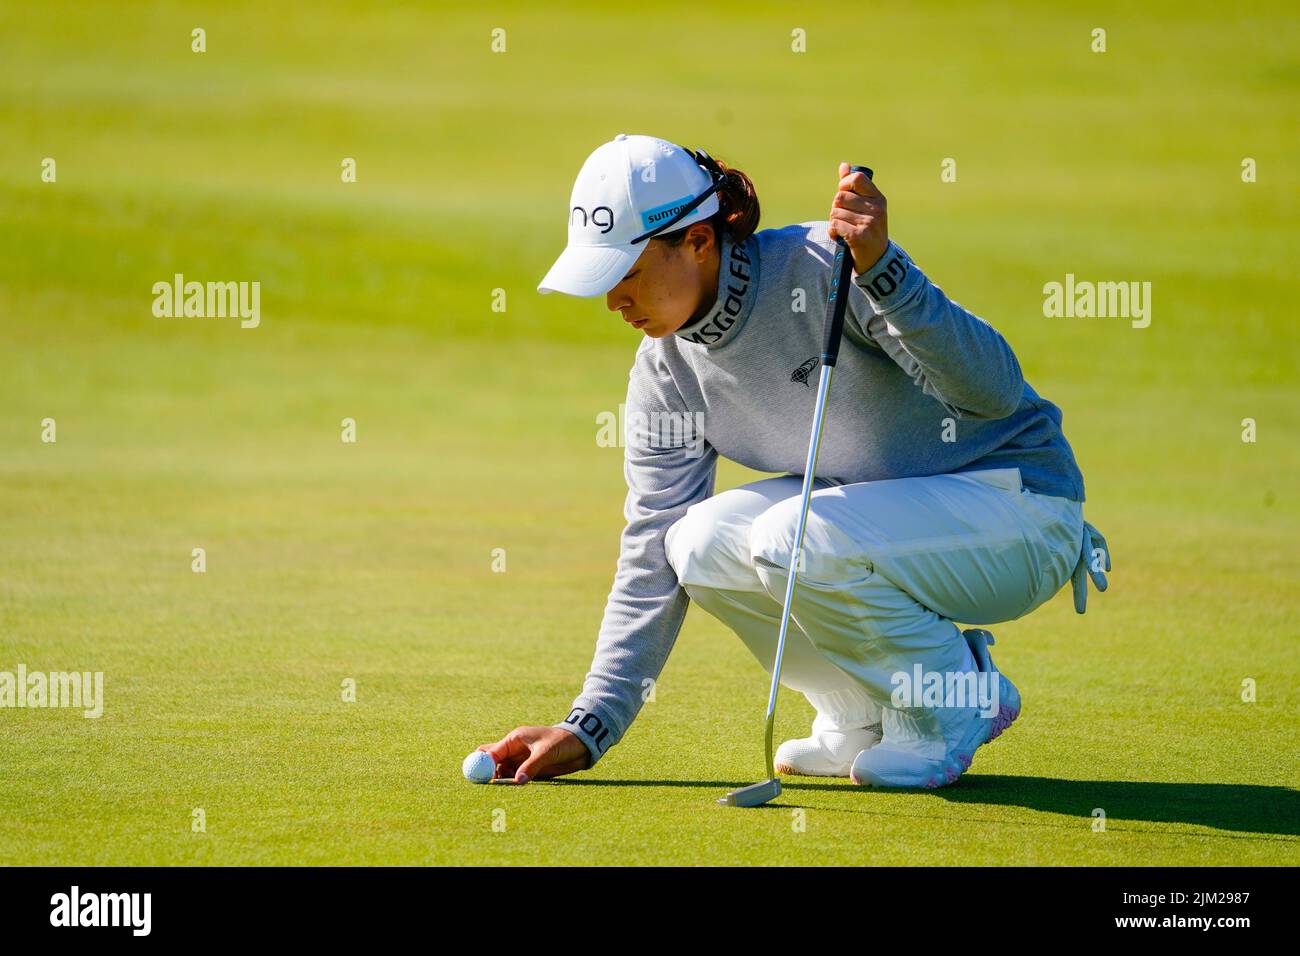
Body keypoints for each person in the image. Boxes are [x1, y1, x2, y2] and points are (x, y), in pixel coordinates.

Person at [480, 133, 1109, 788]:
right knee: (694, 542)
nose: (614, 301)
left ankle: (950, 701)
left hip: (1020, 510)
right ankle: (859, 711)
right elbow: (650, 547)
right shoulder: (666, 372)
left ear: (698, 241)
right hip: (885, 532)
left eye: (627, 274)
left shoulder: (829, 266)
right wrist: (590, 724)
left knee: (791, 537)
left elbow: (995, 392)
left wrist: (884, 273)